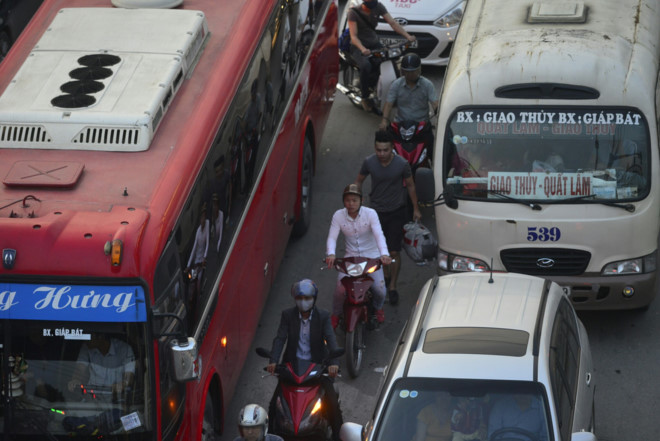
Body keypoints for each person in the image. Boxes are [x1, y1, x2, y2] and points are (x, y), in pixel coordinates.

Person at [266, 279, 343, 441]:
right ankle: (270, 436)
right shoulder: (287, 315)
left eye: (307, 298)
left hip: (317, 370)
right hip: (292, 370)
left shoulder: (323, 317)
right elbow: (280, 338)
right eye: (300, 298)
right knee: (274, 406)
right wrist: (273, 361)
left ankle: (338, 436)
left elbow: (331, 340)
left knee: (333, 405)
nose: (303, 302)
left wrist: (334, 365)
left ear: (314, 299)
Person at [355, 129, 421, 305]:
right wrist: (356, 201)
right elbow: (359, 181)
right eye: (378, 150)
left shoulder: (402, 164)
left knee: (393, 251)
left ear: (392, 148)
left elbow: (411, 186)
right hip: (375, 213)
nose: (381, 154)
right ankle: (383, 278)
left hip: (396, 212)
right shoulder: (369, 162)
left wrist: (416, 208)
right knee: (377, 251)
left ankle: (392, 286)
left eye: (385, 150)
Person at [325, 184, 392, 328]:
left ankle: (378, 308)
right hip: (351, 258)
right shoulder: (338, 215)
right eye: (348, 200)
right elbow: (332, 237)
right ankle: (336, 314)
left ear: (361, 201)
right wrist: (331, 254)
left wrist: (384, 254)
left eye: (354, 200)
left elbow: (379, 235)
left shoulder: (371, 214)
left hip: (372, 258)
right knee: (340, 289)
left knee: (380, 289)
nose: (351, 204)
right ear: (344, 202)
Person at [347, 0, 415, 113]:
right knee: (366, 66)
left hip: (374, 44)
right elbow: (353, 37)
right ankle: (365, 97)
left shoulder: (378, 6)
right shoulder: (353, 13)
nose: (373, 6)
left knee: (389, 62)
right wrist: (363, 49)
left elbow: (392, 23)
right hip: (358, 46)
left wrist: (407, 36)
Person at [379, 53, 439, 155]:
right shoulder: (396, 84)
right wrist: (384, 120)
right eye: (406, 72)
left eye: (412, 72)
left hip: (421, 126)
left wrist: (439, 115)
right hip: (400, 125)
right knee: (386, 147)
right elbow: (388, 104)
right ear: (402, 71)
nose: (409, 74)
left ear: (419, 70)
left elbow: (435, 104)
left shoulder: (427, 85)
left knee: (432, 149)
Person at [67, 333, 135, 403]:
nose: (85, 339)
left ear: (100, 336)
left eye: (89, 336)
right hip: (92, 398)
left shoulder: (124, 349)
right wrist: (76, 379)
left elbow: (129, 376)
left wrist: (123, 384)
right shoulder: (86, 347)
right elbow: (80, 368)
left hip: (116, 399)